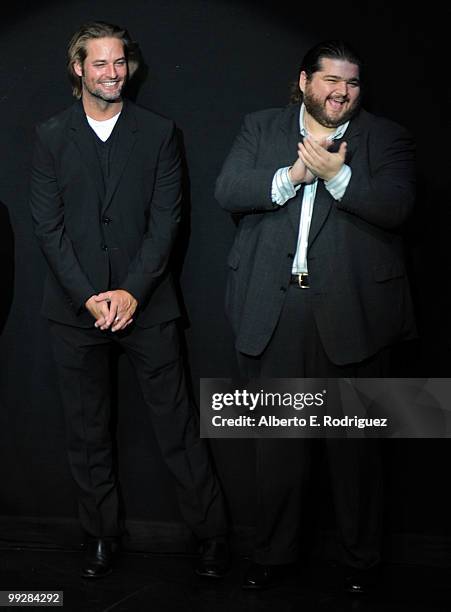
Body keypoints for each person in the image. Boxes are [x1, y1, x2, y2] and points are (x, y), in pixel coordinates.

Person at [30, 21, 228, 579]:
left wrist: (131, 292)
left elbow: (168, 222)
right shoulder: (49, 135)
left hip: (148, 305)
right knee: (86, 431)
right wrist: (89, 296)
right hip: (76, 310)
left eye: (120, 63)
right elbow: (48, 229)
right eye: (100, 64)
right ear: (79, 69)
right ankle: (100, 535)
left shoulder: (159, 132)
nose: (113, 73)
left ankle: (211, 535)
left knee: (178, 427)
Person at [215, 40, 416, 592]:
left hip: (355, 315)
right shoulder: (260, 127)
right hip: (277, 311)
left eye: (351, 84)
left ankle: (360, 563)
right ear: (304, 81)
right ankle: (273, 556)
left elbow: (398, 206)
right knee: (276, 449)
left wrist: (337, 176)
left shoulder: (385, 137)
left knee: (356, 454)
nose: (341, 92)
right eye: (331, 81)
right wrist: (292, 176)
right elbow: (227, 189)